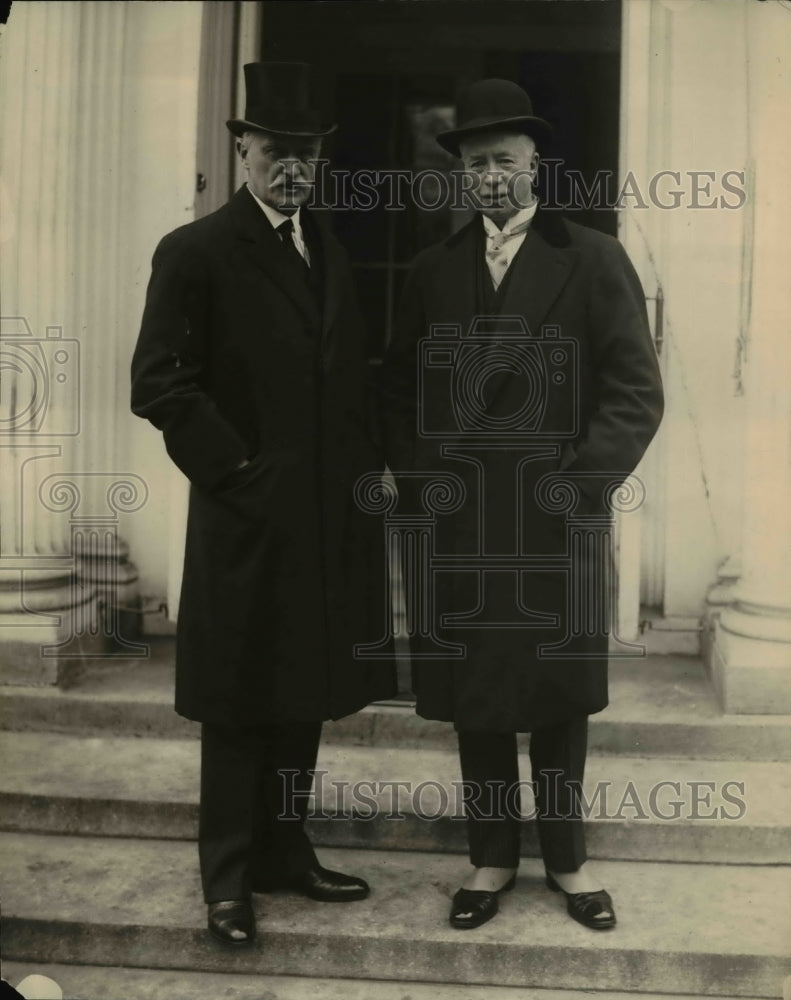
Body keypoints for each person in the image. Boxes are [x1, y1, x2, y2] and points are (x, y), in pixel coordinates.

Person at [381, 78, 663, 931]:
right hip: (461, 524)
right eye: (475, 163)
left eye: (503, 160)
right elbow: (397, 392)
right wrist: (422, 481)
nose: (489, 177)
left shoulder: (594, 256)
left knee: (558, 696)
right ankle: (491, 857)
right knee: (476, 695)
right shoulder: (432, 268)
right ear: (460, 174)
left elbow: (633, 392)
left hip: (554, 519)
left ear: (535, 164)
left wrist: (574, 487)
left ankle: (569, 865)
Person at [131, 62, 395, 945]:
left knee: (303, 692)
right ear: (242, 149)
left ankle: (288, 853)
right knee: (239, 701)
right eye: (276, 151)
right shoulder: (197, 250)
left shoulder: (328, 247)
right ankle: (228, 880)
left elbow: (350, 381)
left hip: (322, 525)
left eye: (307, 154)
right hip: (246, 520)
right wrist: (238, 471)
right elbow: (159, 383)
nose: (293, 168)